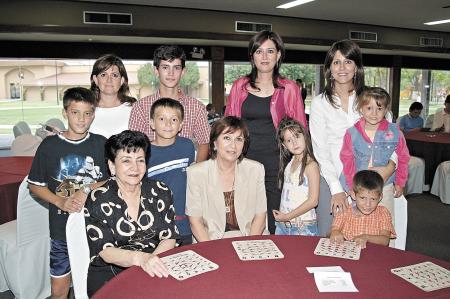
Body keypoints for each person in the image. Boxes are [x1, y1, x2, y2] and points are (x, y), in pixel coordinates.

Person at [28, 87, 108, 299]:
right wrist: (60, 202)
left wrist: (87, 189)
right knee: (59, 290)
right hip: (61, 230)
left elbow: (113, 179)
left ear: (93, 114)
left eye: (87, 113)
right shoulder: (49, 146)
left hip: (97, 230)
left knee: (96, 288)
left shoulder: (101, 144)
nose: (82, 119)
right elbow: (34, 185)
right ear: (65, 112)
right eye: (75, 112)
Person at [309, 39, 395, 237]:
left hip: (374, 173)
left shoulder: (372, 98)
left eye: (348, 62)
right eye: (336, 62)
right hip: (334, 175)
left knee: (375, 236)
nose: (342, 68)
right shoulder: (320, 103)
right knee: (331, 234)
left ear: (357, 67)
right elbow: (320, 149)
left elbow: (392, 137)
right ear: (329, 68)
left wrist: (390, 168)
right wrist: (337, 188)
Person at [225, 30, 307, 234]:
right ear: (252, 55)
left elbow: (300, 128)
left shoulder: (289, 88)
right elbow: (228, 125)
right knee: (244, 219)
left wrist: (304, 161)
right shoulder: (239, 86)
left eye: (270, 51)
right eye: (259, 51)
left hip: (277, 162)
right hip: (244, 161)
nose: (264, 56)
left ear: (278, 55)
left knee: (273, 219)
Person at [84, 130, 179, 296]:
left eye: (140, 160)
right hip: (111, 273)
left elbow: (169, 236)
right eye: (126, 161)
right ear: (112, 165)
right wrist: (142, 259)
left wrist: (151, 262)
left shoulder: (160, 190)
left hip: (155, 265)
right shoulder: (98, 199)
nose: (135, 168)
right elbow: (106, 252)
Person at [186, 116, 267, 241]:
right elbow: (195, 221)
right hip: (210, 240)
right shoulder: (196, 173)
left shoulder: (255, 170)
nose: (233, 145)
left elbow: (260, 216)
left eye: (239, 139)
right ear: (214, 143)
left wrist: (250, 245)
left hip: (249, 236)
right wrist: (210, 250)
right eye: (227, 138)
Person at [340, 87, 410, 224]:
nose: (374, 113)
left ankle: (385, 246)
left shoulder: (395, 132)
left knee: (385, 224)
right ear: (361, 108)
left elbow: (403, 157)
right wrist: (350, 186)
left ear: (385, 110)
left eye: (379, 109)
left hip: (385, 186)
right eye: (369, 108)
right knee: (358, 224)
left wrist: (400, 183)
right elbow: (347, 160)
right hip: (359, 186)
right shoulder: (351, 133)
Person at [128, 45, 210, 162]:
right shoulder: (140, 107)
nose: (171, 73)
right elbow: (135, 146)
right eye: (165, 67)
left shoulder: (196, 107)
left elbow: (204, 142)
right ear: (156, 71)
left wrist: (196, 172)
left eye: (176, 68)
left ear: (183, 72)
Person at [147, 98, 195, 246]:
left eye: (173, 119)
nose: (168, 124)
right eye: (161, 119)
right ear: (152, 123)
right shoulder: (144, 152)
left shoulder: (187, 146)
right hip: (154, 226)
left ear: (180, 125)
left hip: (184, 225)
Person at [273, 118, 319, 236]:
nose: (294, 143)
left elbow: (313, 201)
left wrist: (287, 216)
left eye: (297, 136)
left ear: (304, 136)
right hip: (284, 224)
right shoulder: (290, 162)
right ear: (284, 145)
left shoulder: (311, 166)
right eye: (289, 140)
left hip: (302, 226)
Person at [330, 170, 396, 248]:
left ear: (380, 197)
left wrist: (367, 237)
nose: (368, 204)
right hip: (348, 254)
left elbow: (385, 240)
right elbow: (334, 229)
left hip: (373, 256)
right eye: (362, 198)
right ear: (353, 195)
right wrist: (335, 233)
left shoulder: (383, 213)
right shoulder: (344, 210)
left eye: (373, 199)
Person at [89, 54, 136, 138]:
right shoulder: (87, 108)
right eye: (103, 75)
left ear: (122, 80)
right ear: (95, 79)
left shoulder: (134, 108)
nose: (109, 80)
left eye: (114, 75)